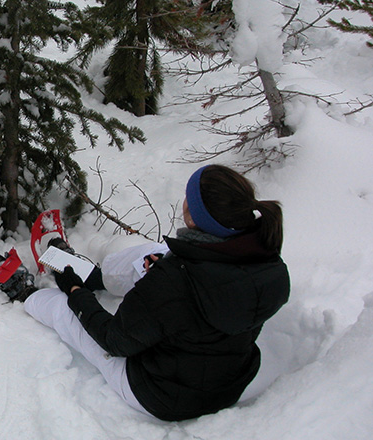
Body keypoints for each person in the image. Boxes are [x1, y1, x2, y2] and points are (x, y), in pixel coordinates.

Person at [24, 164, 290, 421]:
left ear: (193, 216)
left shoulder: (174, 280)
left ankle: (25, 294)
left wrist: (75, 291)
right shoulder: (269, 265)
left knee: (65, 309)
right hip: (229, 382)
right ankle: (98, 278)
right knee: (154, 254)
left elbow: (115, 341)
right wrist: (162, 276)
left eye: (190, 198)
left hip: (160, 394)